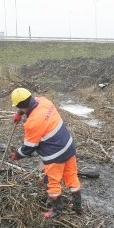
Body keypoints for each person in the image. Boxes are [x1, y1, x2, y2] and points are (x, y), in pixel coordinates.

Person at [9, 87, 82, 219]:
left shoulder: (32, 123)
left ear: (21, 105)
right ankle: (77, 206)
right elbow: (27, 103)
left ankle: (57, 210)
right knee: (71, 176)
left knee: (52, 182)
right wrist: (19, 113)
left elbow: (29, 148)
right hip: (68, 146)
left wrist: (17, 155)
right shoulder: (44, 101)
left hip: (55, 156)